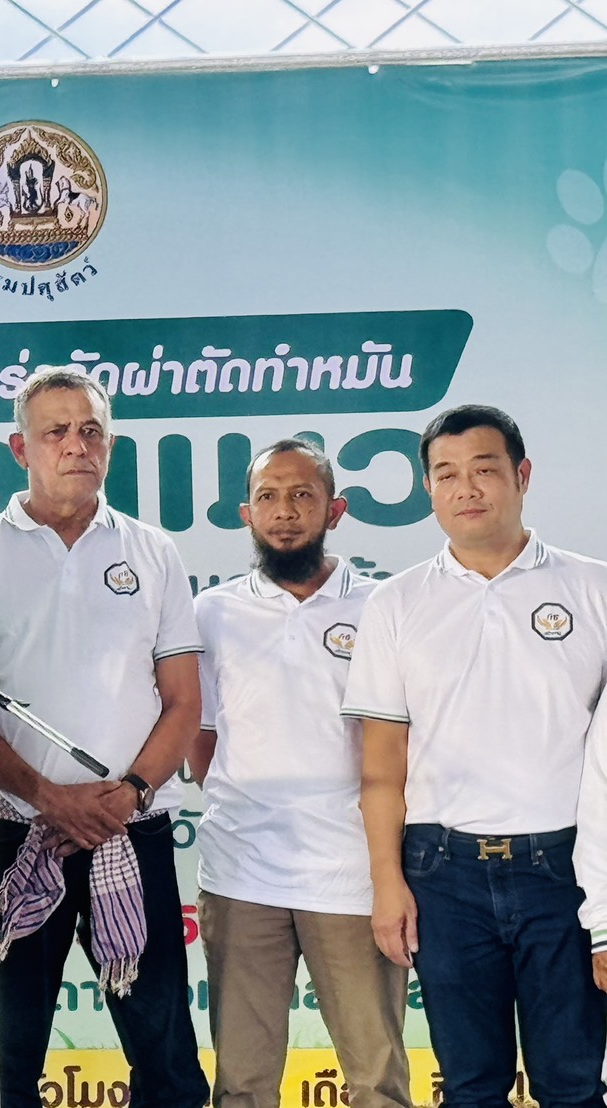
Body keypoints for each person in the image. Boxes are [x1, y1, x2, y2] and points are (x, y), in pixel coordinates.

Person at [0, 368, 208, 1108]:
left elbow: (183, 703)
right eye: (55, 431)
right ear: (19, 448)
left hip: (131, 828)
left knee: (165, 1054)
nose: (75, 445)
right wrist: (47, 796)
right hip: (12, 831)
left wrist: (128, 795)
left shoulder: (152, 552)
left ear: (110, 445)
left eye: (91, 430)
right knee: (3, 1056)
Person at [342, 404, 607, 1107]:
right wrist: (386, 883)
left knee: (573, 1084)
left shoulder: (594, 588)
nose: (466, 489)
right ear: (428, 489)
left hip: (564, 871)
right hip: (443, 875)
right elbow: (381, 767)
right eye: (446, 474)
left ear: (522, 476)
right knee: (469, 1086)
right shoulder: (396, 603)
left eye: (484, 470)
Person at [190, 440, 409, 1108]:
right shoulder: (212, 614)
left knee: (376, 1080)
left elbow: (399, 745)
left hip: (352, 875)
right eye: (267, 497)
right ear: (246, 515)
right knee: (242, 1084)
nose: (284, 512)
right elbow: (200, 739)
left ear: (335, 510)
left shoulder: (383, 607)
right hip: (241, 874)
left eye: (302, 495)